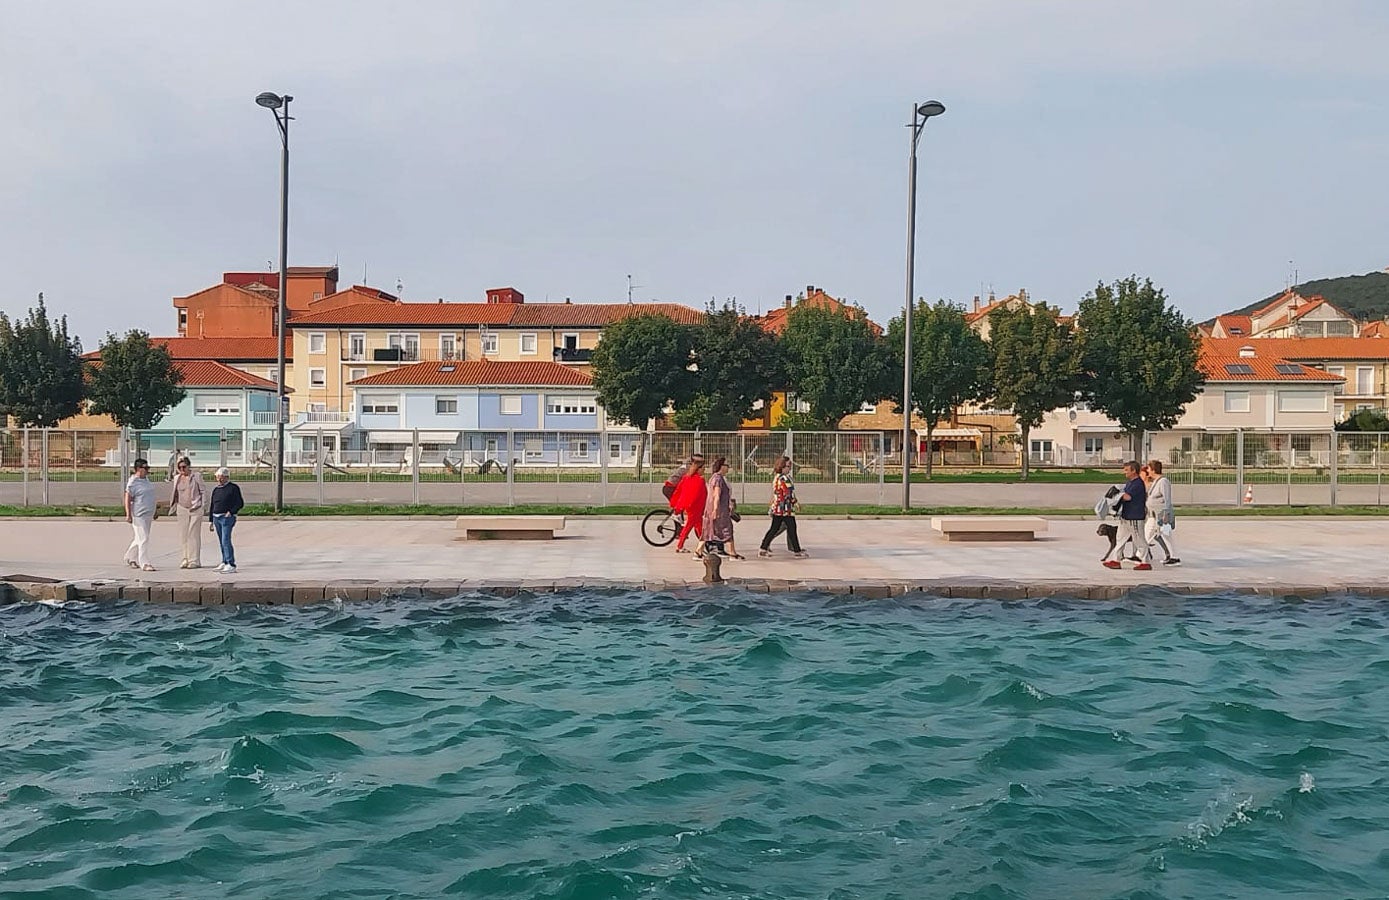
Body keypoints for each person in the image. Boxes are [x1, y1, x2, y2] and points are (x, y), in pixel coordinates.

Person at [1105, 460, 1151, 570]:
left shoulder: (1138, 484)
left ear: (1134, 471)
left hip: (1134, 517)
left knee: (1139, 539)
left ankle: (1145, 561)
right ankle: (1117, 559)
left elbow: (1128, 497)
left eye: (1127, 470)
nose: (1125, 472)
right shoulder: (1130, 482)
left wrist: (1117, 494)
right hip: (1126, 516)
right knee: (1120, 538)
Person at [759, 455, 808, 558]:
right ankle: (797, 551)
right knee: (790, 528)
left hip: (779, 507)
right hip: (784, 508)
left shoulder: (777, 477)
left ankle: (763, 548)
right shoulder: (784, 478)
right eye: (788, 466)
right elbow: (788, 492)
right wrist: (795, 502)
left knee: (776, 528)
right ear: (782, 466)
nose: (790, 468)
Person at [169, 457, 206, 569]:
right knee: (184, 534)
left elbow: (203, 491)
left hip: (195, 507)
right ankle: (185, 558)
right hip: (182, 508)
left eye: (184, 467)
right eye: (179, 467)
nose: (182, 469)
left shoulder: (196, 476)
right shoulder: (177, 478)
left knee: (193, 534)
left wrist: (203, 505)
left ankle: (194, 560)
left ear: (189, 466)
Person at [207, 467, 245, 574]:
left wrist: (231, 512)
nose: (219, 479)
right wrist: (211, 520)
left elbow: (239, 503)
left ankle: (230, 563)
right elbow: (212, 505)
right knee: (221, 541)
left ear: (226, 477)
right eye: (217, 477)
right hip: (216, 517)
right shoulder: (216, 490)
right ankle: (224, 561)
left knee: (226, 540)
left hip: (226, 518)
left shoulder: (233, 488)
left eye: (221, 477)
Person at [123, 458, 158, 571]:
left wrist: (155, 510)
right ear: (138, 469)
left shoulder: (146, 480)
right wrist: (128, 514)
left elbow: (151, 496)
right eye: (145, 468)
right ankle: (145, 563)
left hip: (148, 513)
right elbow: (127, 498)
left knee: (140, 538)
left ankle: (130, 557)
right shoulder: (133, 482)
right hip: (138, 514)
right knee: (144, 538)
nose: (147, 470)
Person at [703, 456, 741, 559]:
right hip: (720, 509)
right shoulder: (718, 478)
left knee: (709, 530)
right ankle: (732, 553)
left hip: (716, 507)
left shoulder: (715, 477)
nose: (728, 468)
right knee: (727, 529)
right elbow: (717, 495)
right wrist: (716, 509)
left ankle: (698, 551)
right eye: (726, 465)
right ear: (721, 466)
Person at [669, 456, 708, 553]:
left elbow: (680, 491)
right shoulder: (700, 480)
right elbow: (698, 494)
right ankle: (683, 546)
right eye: (703, 468)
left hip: (691, 507)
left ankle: (703, 546)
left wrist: (677, 504)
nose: (704, 470)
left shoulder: (686, 478)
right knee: (690, 526)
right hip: (696, 507)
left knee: (699, 527)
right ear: (698, 469)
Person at [1145, 458, 1179, 565]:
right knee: (1147, 533)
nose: (1148, 471)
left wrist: (1166, 514)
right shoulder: (1156, 481)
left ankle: (1174, 557)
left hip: (1162, 515)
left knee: (1166, 534)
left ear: (1154, 470)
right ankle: (1140, 555)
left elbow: (1167, 499)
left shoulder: (1163, 482)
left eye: (1149, 469)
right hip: (1153, 515)